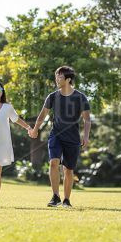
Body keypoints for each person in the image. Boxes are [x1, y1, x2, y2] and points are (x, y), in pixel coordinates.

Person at [29, 66, 91, 208]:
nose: (57, 79)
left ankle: (66, 199)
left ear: (68, 80)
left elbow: (87, 119)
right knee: (53, 163)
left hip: (73, 138)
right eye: (56, 76)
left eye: (60, 77)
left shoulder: (80, 97)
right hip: (55, 135)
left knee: (68, 170)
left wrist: (86, 136)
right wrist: (35, 129)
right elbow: (42, 114)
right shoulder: (52, 97)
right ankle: (55, 196)